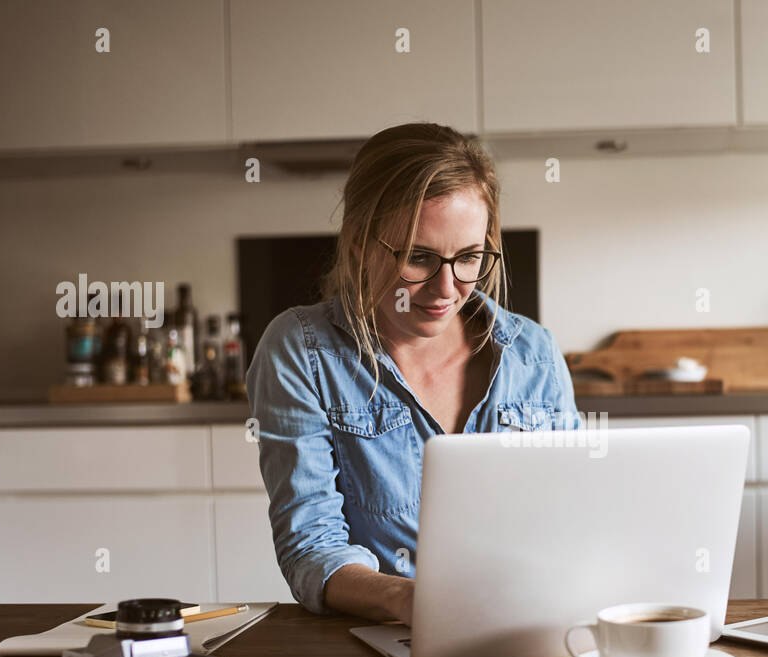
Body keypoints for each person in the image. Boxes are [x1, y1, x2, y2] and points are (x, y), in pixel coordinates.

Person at [246, 123, 582, 625]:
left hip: (527, 627)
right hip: (382, 643)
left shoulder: (534, 353)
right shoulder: (301, 350)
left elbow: (577, 514)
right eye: (418, 258)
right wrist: (411, 602)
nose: (446, 287)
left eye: (469, 257)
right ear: (360, 242)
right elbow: (311, 546)